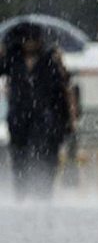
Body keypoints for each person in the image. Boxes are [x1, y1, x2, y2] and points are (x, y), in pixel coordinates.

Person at [0, 22, 76, 199]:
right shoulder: (13, 59)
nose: (30, 43)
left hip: (45, 117)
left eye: (33, 39)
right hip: (19, 116)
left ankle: (43, 192)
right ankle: (21, 192)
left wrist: (70, 118)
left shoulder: (49, 60)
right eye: (26, 39)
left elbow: (64, 85)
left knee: (46, 154)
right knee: (19, 155)